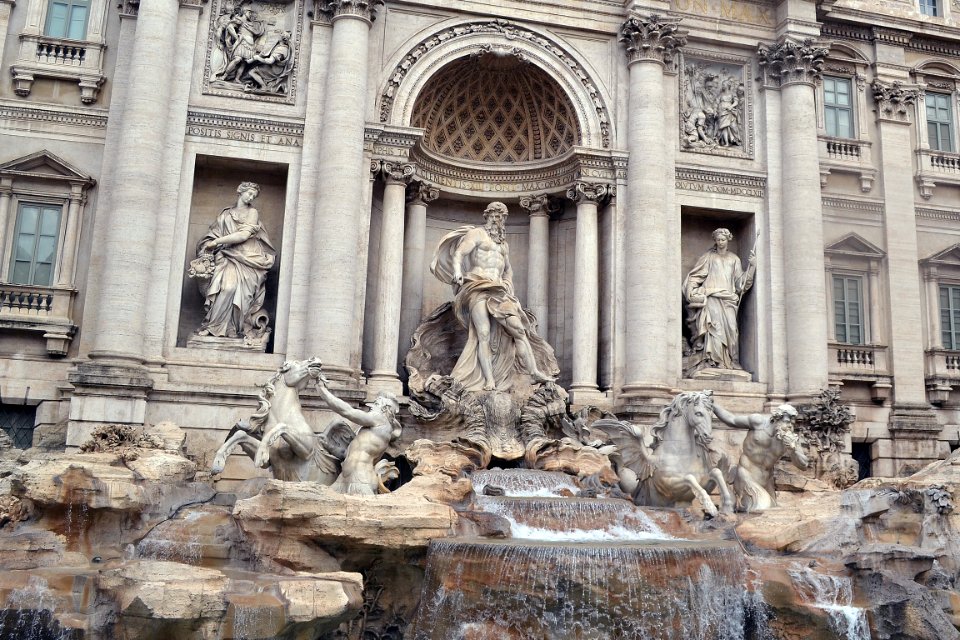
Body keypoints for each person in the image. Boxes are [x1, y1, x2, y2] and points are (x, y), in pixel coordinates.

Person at [430, 202, 555, 391]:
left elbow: (508, 269)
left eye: (502, 216)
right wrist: (456, 271)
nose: (498, 219)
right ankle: (488, 380)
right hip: (477, 286)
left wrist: (508, 284)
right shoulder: (477, 234)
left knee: (519, 331)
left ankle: (534, 372)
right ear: (486, 216)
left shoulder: (503, 244)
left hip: (498, 290)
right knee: (483, 334)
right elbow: (459, 253)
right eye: (494, 215)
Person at [195, 182, 276, 339]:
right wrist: (209, 244)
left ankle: (234, 328)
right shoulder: (225, 214)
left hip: (249, 257)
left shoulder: (252, 212)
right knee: (226, 288)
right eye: (249, 193)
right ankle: (213, 327)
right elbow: (212, 234)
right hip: (228, 255)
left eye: (254, 195)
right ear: (240, 191)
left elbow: (243, 235)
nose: (251, 197)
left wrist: (217, 242)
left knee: (242, 296)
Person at [683, 228, 756, 374]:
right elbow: (695, 276)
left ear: (728, 240)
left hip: (728, 300)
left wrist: (752, 266)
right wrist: (691, 290)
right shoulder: (708, 257)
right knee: (715, 330)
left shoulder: (734, 259)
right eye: (718, 240)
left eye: (723, 239)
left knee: (731, 329)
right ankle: (714, 362)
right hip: (712, 298)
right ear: (715, 241)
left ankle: (730, 361)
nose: (720, 242)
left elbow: (740, 284)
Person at [712, 402, 809, 512]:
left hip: (767, 482)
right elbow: (732, 419)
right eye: (787, 422)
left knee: (773, 514)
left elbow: (804, 465)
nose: (790, 426)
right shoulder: (758, 422)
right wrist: (712, 405)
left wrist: (793, 449)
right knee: (763, 508)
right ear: (776, 419)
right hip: (746, 476)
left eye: (792, 423)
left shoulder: (790, 438)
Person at [316, 383, 402, 496]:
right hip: (344, 477)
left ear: (385, 409)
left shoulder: (380, 420)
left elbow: (348, 412)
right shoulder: (369, 431)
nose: (371, 407)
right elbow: (347, 454)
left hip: (361, 478)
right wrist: (329, 446)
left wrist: (324, 393)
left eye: (376, 404)